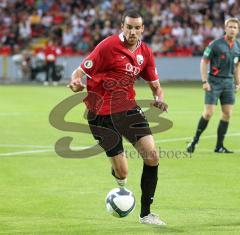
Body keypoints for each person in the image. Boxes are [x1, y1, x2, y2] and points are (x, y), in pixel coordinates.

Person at [69, 10, 168, 225]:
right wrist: (75, 82)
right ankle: (118, 175)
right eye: (129, 27)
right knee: (123, 172)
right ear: (122, 27)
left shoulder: (145, 53)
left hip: (127, 108)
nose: (133, 31)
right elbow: (80, 71)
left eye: (137, 27)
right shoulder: (107, 46)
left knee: (152, 156)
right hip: (100, 113)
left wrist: (159, 98)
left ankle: (146, 213)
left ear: (142, 29)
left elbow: (156, 87)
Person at [187, 17, 240, 154]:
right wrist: (204, 81)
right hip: (214, 82)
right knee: (208, 113)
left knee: (227, 113)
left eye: (235, 27)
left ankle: (219, 146)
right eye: (230, 27)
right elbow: (204, 62)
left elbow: (237, 66)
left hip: (228, 83)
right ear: (225, 28)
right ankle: (195, 140)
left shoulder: (238, 46)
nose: (233, 29)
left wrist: (238, 82)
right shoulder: (215, 44)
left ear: (238, 30)